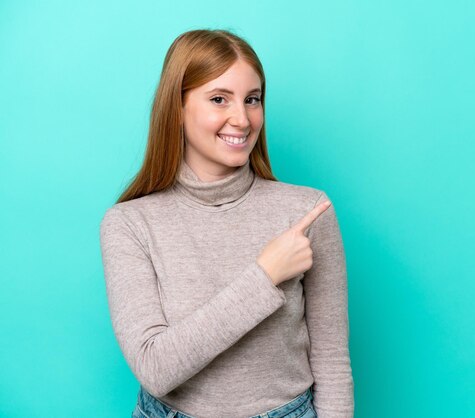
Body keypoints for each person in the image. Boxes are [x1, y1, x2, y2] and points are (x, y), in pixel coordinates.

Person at [98, 29, 354, 418]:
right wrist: (265, 276)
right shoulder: (130, 224)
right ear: (177, 107)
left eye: (253, 99)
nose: (242, 118)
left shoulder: (308, 212)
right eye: (219, 99)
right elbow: (155, 367)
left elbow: (332, 359)